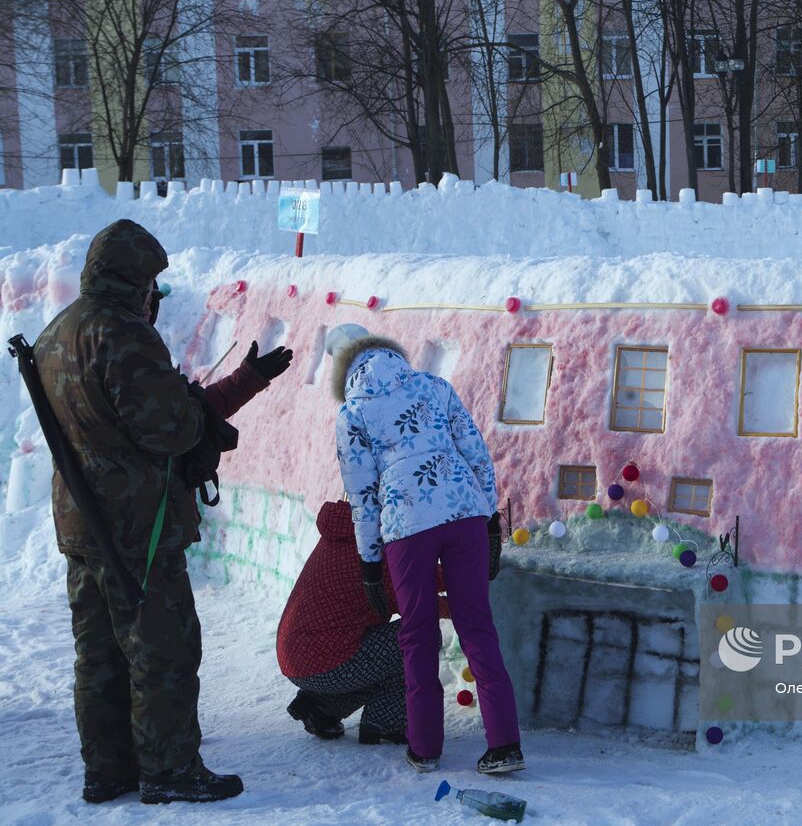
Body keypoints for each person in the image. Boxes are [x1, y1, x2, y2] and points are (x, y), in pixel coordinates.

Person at [33, 218, 293, 804]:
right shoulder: (122, 334)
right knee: (162, 653)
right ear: (136, 278)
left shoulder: (59, 330)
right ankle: (169, 772)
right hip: (136, 527)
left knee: (97, 656)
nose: (155, 295)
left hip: (83, 522)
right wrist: (196, 411)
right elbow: (170, 429)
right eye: (152, 283)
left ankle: (108, 771)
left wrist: (241, 382)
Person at [327, 323, 523, 776]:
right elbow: (476, 455)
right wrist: (490, 521)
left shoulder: (353, 413)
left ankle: (425, 748)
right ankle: (505, 744)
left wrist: (370, 562)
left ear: (341, 368)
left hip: (406, 523)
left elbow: (363, 496)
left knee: (417, 634)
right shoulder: (435, 386)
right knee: (476, 625)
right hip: (465, 511)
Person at [277, 500, 452, 745]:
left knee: (384, 657)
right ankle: (385, 722)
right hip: (322, 658)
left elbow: (415, 577)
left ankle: (322, 706)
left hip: (299, 654)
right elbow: (416, 599)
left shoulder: (351, 532)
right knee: (420, 637)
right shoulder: (372, 553)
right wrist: (465, 600)